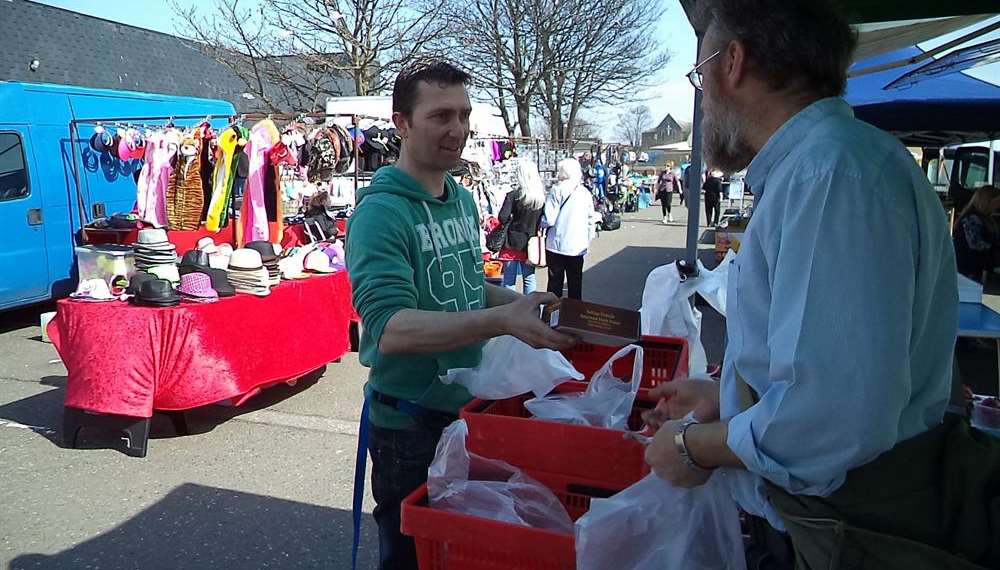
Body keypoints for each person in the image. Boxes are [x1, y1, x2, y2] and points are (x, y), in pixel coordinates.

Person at [642, 1, 998, 568]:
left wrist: (694, 447)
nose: (702, 98)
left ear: (732, 62)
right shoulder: (830, 165)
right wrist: (726, 398)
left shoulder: (829, 176)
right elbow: (834, 371)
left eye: (698, 73)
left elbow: (825, 418)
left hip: (846, 529)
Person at [346, 60, 576, 570]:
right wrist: (500, 322)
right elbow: (389, 329)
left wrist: (516, 306)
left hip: (469, 414)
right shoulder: (381, 213)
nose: (458, 129)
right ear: (401, 123)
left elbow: (467, 288)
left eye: (464, 115)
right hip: (408, 428)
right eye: (441, 116)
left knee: (465, 553)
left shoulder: (462, 200)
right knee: (411, 556)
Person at [543, 158, 598, 300]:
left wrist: (540, 224)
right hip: (577, 246)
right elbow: (591, 219)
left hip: (557, 244)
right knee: (575, 283)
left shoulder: (557, 190)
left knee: (555, 284)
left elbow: (549, 219)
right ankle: (574, 316)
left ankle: (552, 315)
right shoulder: (585, 192)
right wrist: (587, 239)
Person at [497, 160, 546, 293]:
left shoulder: (513, 195)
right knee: (529, 278)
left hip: (512, 242)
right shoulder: (541, 198)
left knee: (509, 279)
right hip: (531, 243)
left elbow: (503, 217)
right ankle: (531, 308)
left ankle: (510, 308)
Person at [953, 185, 1000, 281]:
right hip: (968, 269)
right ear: (987, 201)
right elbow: (976, 243)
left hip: (976, 268)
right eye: (996, 203)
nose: (997, 207)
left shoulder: (985, 218)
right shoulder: (971, 219)